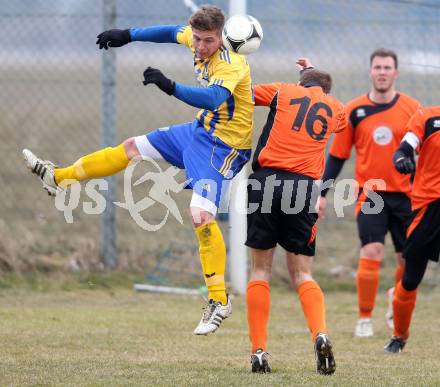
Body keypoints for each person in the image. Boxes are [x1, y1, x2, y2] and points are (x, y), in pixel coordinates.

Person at [22, 5, 254, 335]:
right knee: (132, 146)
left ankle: (219, 301)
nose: (201, 47)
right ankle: (57, 177)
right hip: (198, 132)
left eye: (208, 41)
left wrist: (169, 85)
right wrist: (127, 36)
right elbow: (169, 31)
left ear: (221, 36)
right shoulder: (193, 37)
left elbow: (212, 98)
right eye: (198, 40)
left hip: (225, 147)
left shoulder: (232, 63)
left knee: (201, 215)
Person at [245, 58, 346, 375]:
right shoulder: (335, 108)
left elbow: (244, 94)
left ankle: (259, 351)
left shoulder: (282, 91)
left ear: (301, 82)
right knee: (302, 273)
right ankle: (320, 333)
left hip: (266, 183)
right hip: (303, 189)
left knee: (261, 270)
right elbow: (319, 96)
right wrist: (315, 76)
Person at [319, 48, 420, 337]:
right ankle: (364, 318)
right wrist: (322, 193)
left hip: (407, 195)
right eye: (378, 67)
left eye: (388, 67)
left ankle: (395, 297)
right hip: (370, 194)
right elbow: (338, 156)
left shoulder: (413, 109)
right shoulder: (353, 110)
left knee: (408, 260)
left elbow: (425, 151)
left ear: (396, 72)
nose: (382, 72)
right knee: (372, 251)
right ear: (370, 71)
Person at [383, 106, 440, 353]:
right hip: (428, 207)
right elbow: (405, 147)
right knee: (410, 278)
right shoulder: (428, 117)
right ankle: (399, 336)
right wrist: (400, 159)